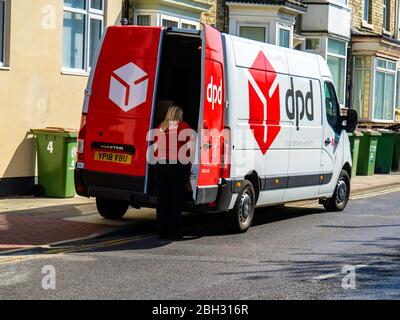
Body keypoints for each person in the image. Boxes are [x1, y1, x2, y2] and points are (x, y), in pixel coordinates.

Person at [155, 106, 192, 240]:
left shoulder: (161, 127)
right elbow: (189, 148)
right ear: (179, 115)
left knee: (162, 200)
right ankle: (175, 232)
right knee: (175, 201)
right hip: (177, 166)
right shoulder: (184, 127)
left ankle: (162, 231)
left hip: (161, 164)